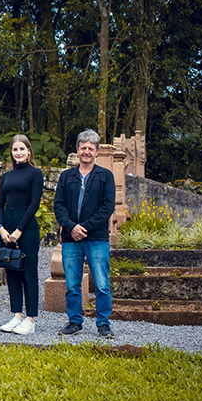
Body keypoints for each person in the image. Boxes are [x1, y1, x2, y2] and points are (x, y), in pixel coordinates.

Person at [54, 129, 116, 338]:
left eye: (90, 148)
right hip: (71, 239)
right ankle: (75, 322)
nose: (86, 151)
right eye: (83, 148)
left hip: (96, 238)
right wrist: (71, 227)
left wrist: (85, 227)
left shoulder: (105, 176)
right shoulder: (66, 176)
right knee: (72, 284)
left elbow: (107, 207)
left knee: (101, 284)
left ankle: (103, 323)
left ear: (96, 151)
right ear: (77, 150)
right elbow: (59, 205)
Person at [0, 135, 44, 335]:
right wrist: (1, 227)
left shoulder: (35, 173)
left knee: (29, 273)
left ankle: (30, 320)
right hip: (7, 228)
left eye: (22, 149)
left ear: (29, 151)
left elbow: (34, 204)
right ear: (11, 152)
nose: (18, 153)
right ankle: (16, 316)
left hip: (26, 228)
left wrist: (19, 230)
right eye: (15, 149)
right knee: (12, 271)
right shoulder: (6, 176)